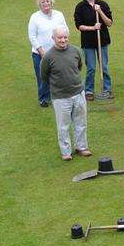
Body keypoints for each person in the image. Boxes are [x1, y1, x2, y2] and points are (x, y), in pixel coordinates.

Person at [40, 26, 91, 160]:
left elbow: (79, 66)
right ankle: (66, 152)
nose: (63, 40)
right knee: (63, 126)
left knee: (81, 122)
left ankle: (81, 147)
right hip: (60, 97)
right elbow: (44, 76)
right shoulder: (48, 56)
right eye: (60, 38)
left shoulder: (76, 51)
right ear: (53, 38)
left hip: (78, 93)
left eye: (65, 37)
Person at [73, 0, 113, 100]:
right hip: (88, 42)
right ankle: (89, 91)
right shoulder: (80, 7)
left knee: (104, 66)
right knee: (91, 67)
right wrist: (93, 27)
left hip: (103, 41)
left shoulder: (103, 4)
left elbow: (109, 23)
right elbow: (79, 26)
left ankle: (107, 89)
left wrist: (99, 11)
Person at [28, 0, 68, 107]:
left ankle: (58, 96)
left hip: (58, 51)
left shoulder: (59, 15)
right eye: (43, 2)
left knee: (59, 74)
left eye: (47, 1)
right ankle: (44, 98)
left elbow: (66, 30)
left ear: (51, 2)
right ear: (39, 4)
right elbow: (32, 36)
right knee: (43, 76)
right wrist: (41, 51)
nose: (46, 3)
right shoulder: (35, 17)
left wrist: (63, 42)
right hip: (40, 53)